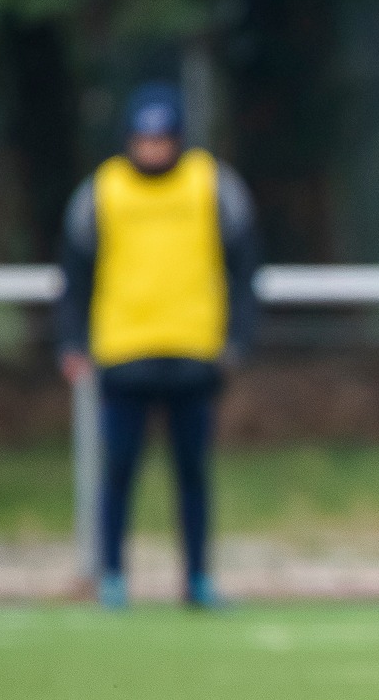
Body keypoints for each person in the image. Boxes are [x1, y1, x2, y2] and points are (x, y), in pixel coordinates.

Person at [56, 82, 261, 610]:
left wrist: (237, 339)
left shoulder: (212, 185)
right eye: (144, 140)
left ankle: (197, 579)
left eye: (162, 139)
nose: (152, 149)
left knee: (192, 473)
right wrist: (73, 340)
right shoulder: (102, 191)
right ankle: (112, 578)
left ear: (179, 139)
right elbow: (75, 275)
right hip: (123, 351)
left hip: (194, 350)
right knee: (119, 469)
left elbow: (244, 269)